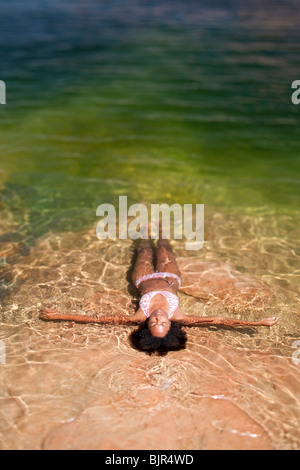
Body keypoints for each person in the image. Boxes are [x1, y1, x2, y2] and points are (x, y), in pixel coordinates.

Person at [40, 236, 279, 356]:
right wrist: (257, 323)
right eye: (162, 323)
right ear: (170, 324)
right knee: (164, 247)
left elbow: (98, 319)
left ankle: (144, 230)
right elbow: (219, 321)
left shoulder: (137, 317)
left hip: (143, 278)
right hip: (170, 277)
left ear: (146, 324)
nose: (157, 317)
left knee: (144, 250)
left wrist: (59, 315)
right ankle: (161, 226)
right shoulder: (180, 315)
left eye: (153, 323)